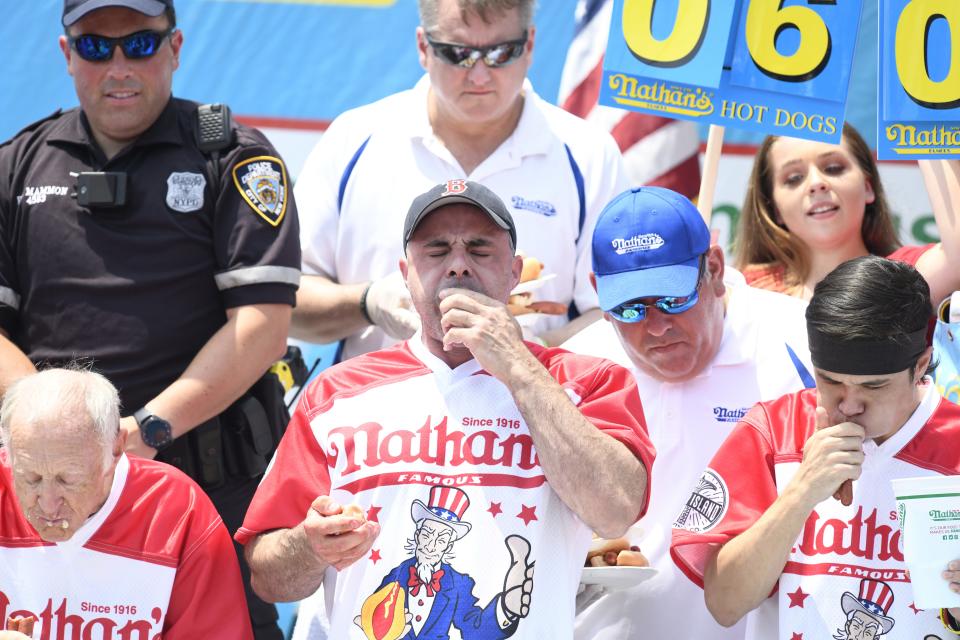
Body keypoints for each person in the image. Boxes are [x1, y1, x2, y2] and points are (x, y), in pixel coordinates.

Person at [237, 179, 654, 639]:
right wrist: (310, 547)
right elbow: (267, 577)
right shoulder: (337, 393)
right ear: (406, 272)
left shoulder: (587, 381)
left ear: (515, 272)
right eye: (436, 251)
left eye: (479, 250)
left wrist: (517, 365)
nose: (458, 266)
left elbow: (616, 512)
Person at [0, 1, 301, 637]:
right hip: (53, 483)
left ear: (175, 47)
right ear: (64, 53)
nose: (117, 66)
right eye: (94, 46)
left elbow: (262, 327)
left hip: (200, 469)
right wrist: (62, 439)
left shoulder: (232, 157)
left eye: (138, 45)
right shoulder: (18, 164)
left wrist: (146, 431)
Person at [291, 0, 630, 359]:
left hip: (530, 411)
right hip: (376, 409)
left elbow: (622, 311)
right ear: (424, 47)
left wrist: (532, 349)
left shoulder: (588, 155)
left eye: (501, 53)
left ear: (529, 46)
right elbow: (281, 298)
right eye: (458, 53)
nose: (480, 75)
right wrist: (369, 303)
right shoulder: (354, 140)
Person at [563, 186, 813, 639]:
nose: (656, 326)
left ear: (714, 269)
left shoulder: (802, 340)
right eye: (630, 308)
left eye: (674, 299)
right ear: (598, 294)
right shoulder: (573, 370)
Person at [672, 255, 960, 638]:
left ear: (921, 364)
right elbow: (724, 604)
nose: (850, 404)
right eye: (830, 381)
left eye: (874, 386)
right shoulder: (775, 428)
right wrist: (801, 492)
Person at [0, 368, 253, 639]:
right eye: (30, 478)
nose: (48, 505)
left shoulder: (175, 510)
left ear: (116, 448)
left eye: (68, 480)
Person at [734, 123, 960, 305]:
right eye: (794, 178)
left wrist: (925, 113)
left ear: (868, 187)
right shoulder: (742, 290)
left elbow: (956, 258)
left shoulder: (902, 276)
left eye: (833, 168)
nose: (816, 183)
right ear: (775, 209)